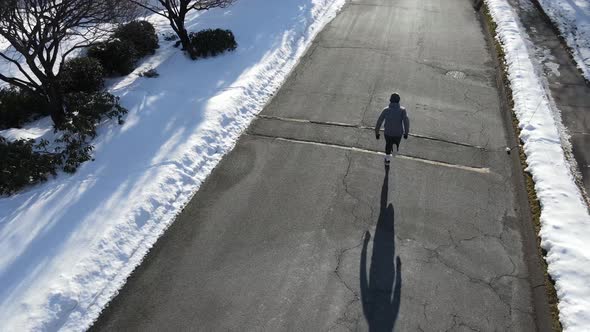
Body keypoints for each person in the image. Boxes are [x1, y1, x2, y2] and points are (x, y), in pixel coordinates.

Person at [375, 93, 410, 166]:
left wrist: (377, 133)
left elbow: (379, 121)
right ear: (398, 101)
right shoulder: (402, 110)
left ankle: (387, 159)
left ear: (390, 100)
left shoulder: (386, 110)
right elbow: (406, 122)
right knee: (396, 143)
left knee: (388, 144)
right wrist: (406, 133)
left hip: (388, 132)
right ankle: (395, 148)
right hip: (398, 133)